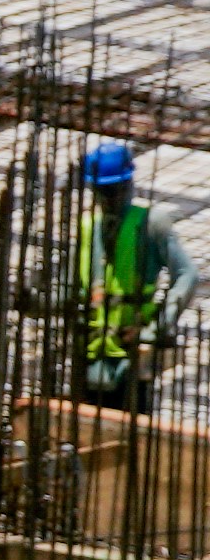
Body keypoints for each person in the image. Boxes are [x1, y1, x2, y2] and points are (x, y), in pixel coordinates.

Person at [83, 139, 190, 416]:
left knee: (129, 434)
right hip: (89, 354)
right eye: (103, 191)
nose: (110, 199)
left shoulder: (151, 222)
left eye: (116, 190)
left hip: (131, 352)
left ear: (129, 185)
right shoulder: (88, 229)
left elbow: (187, 274)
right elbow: (69, 289)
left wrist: (160, 325)